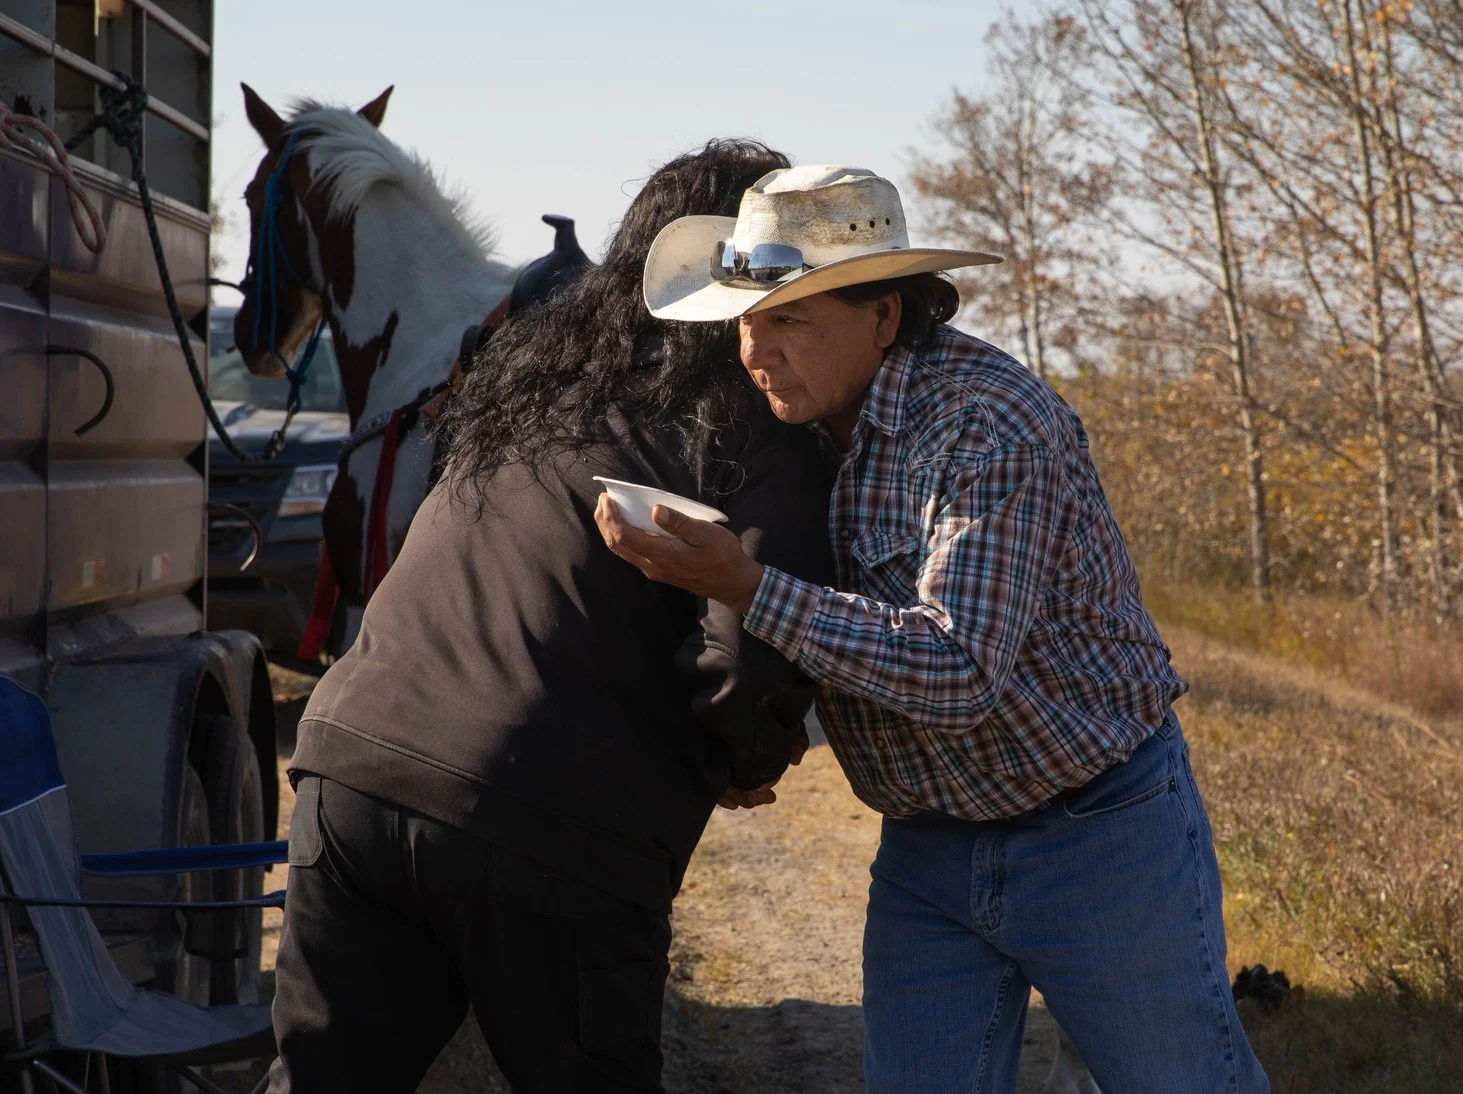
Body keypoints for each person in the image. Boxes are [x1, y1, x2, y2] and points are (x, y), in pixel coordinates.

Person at [596, 165, 1269, 1094]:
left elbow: (956, 668)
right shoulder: (787, 424)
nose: (756, 351)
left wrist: (748, 588)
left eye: (790, 318)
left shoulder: (988, 426)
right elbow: (823, 627)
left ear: (885, 315)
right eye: (746, 319)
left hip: (1099, 836)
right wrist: (750, 737)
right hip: (926, 847)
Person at [265, 141, 834, 1094]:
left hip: (349, 767)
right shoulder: (751, 417)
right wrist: (742, 758)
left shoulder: (533, 376)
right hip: (548, 818)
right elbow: (754, 649)